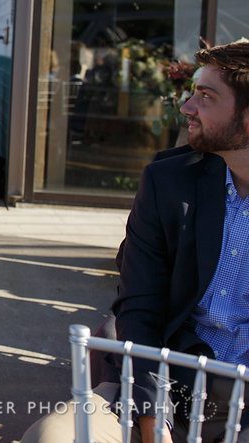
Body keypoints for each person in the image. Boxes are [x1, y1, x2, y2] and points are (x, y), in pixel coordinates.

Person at [21, 41, 249, 443]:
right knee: (52, 438)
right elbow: (140, 309)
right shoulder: (168, 181)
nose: (187, 108)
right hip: (163, 383)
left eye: (206, 97)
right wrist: (153, 422)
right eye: (193, 91)